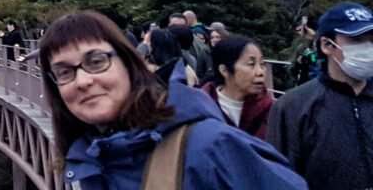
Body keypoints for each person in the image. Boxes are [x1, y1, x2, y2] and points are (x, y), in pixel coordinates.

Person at [38, 11, 307, 189]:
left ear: (130, 63)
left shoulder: (209, 146)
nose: (82, 81)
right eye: (64, 72)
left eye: (96, 62)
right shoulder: (84, 160)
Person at [267, 2, 373, 190]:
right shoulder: (293, 106)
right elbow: (278, 177)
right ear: (326, 45)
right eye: (356, 40)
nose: (368, 48)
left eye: (372, 40)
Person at [201, 36, 273, 138]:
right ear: (224, 70)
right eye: (251, 64)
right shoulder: (202, 108)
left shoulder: (270, 111)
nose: (260, 72)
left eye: (262, 64)